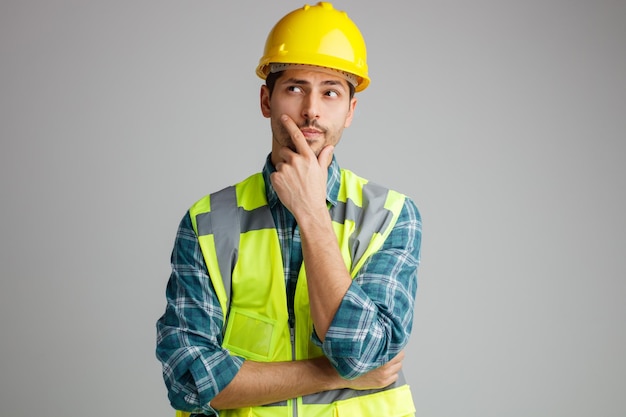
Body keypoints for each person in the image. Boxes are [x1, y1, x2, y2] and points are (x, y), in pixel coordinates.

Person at [156, 2, 422, 416]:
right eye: (295, 87)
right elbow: (190, 380)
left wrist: (312, 211)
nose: (311, 110)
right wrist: (331, 374)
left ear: (350, 110)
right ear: (266, 99)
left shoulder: (390, 216)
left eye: (331, 91)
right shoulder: (207, 221)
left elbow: (359, 351)